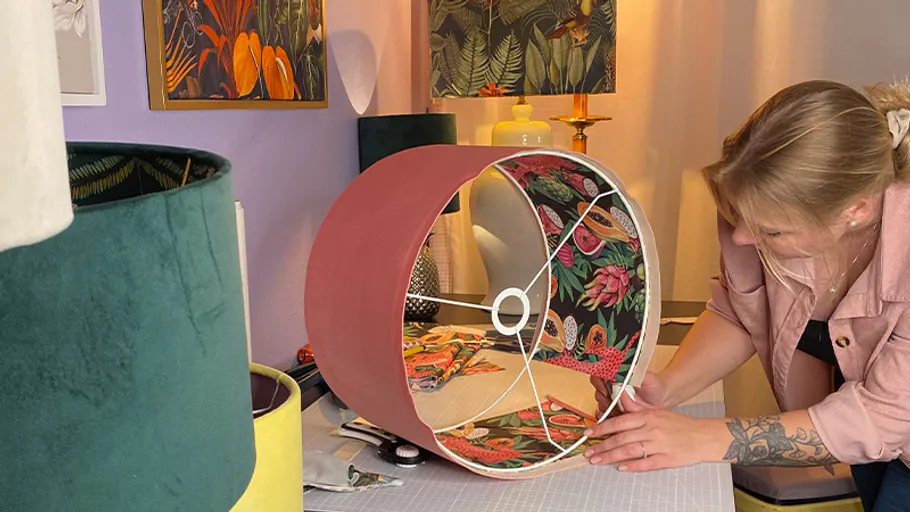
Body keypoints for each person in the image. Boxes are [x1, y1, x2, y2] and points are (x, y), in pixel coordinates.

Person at [584, 79, 910, 511]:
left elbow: (880, 418)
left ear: (858, 210)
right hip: (872, 442)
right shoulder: (761, 219)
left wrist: (705, 437)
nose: (739, 238)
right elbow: (741, 310)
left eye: (771, 231)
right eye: (737, 216)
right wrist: (664, 389)